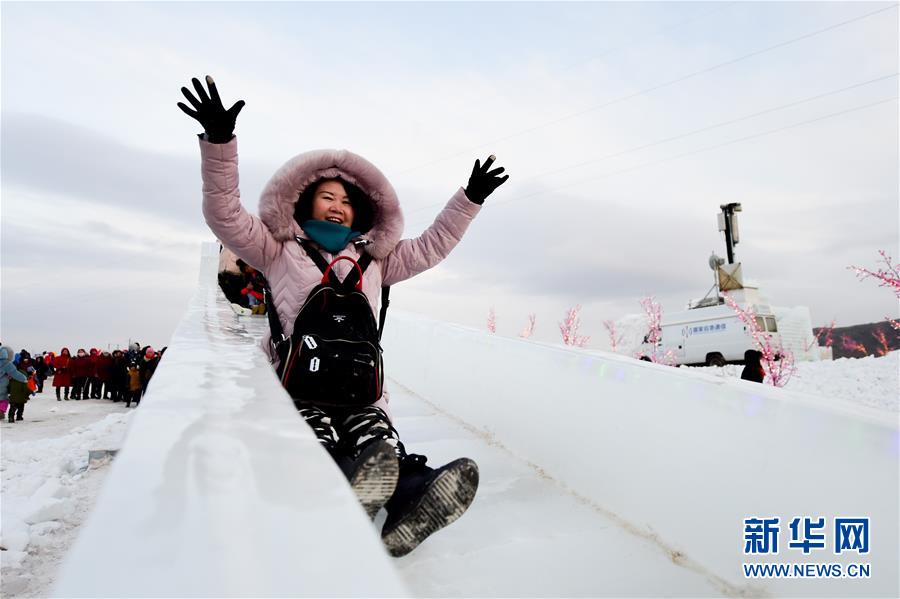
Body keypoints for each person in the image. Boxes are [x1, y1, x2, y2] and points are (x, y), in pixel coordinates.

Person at [179, 75, 508, 556]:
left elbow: (434, 245)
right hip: (298, 380)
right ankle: (337, 477)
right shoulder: (277, 250)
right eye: (328, 197)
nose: (338, 206)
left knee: (378, 439)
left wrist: (469, 199)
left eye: (348, 201)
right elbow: (225, 215)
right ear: (307, 201)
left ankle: (409, 498)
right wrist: (219, 144)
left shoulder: (378, 260)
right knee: (316, 434)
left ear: (361, 214)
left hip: (360, 382)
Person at [1, 346, 30, 419]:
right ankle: (1, 412)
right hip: (2, 386)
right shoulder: (6, 363)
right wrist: (24, 379)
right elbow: (15, 373)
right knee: (3, 399)